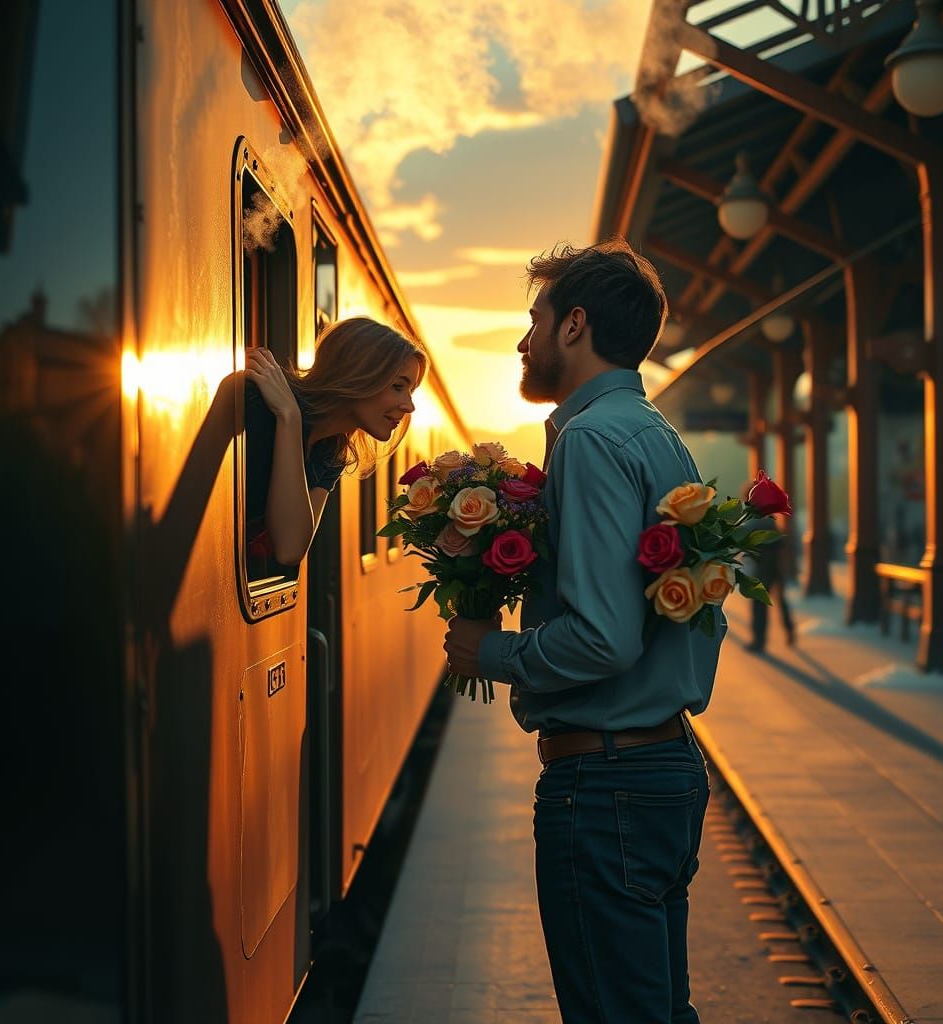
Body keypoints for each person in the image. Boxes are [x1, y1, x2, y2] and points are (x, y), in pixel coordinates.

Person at [443, 239, 726, 1024]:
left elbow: (605, 639)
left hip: (607, 787)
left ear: (574, 325)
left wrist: (488, 651)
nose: (522, 339)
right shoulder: (652, 433)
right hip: (658, 767)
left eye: (533, 318)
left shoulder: (593, 442)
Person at [244, 316, 425, 567]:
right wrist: (288, 416)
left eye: (410, 391)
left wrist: (290, 418)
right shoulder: (258, 407)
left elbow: (291, 548)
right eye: (397, 386)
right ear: (358, 374)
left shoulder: (332, 452)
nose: (409, 406)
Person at [744, 508, 795, 652]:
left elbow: (744, 543)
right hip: (775, 568)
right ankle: (789, 629)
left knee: (759, 605)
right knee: (780, 600)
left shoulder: (754, 523)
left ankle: (759, 641)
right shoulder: (771, 522)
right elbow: (782, 544)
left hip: (762, 570)